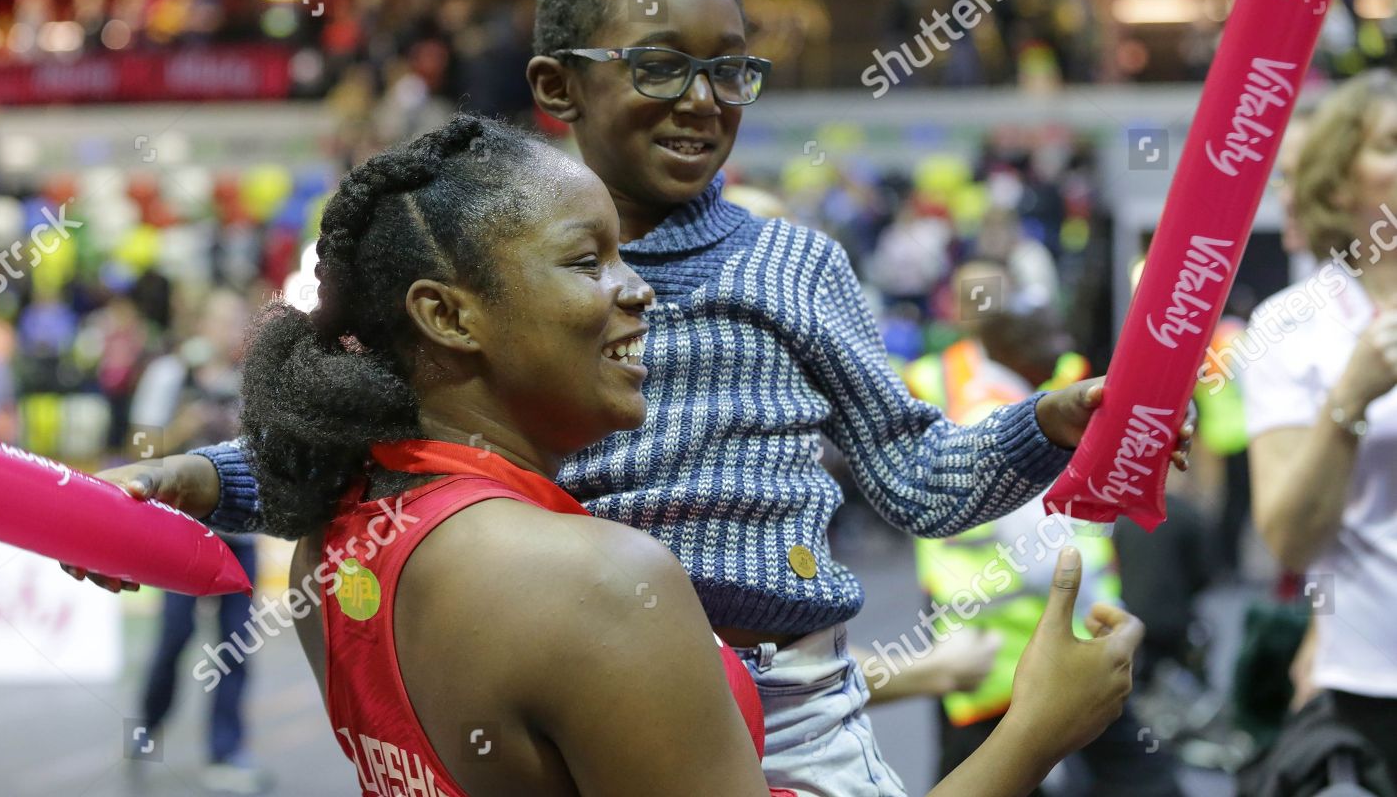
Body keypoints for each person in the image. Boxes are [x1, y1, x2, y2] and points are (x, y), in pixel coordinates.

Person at [80, 0, 1190, 795]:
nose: (704, 99)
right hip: (583, 693)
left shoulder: (794, 269)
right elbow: (379, 446)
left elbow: (916, 477)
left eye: (733, 69)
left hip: (798, 714)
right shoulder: (486, 277)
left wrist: (1046, 423)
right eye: (660, 66)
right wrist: (201, 480)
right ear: (558, 85)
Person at [252, 113, 1145, 795]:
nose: (638, 289)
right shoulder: (601, 583)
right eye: (586, 262)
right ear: (447, 314)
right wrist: (1035, 731)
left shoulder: (329, 556)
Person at [903, 264, 1184, 797]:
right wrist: (1097, 616)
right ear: (1009, 346)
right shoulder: (997, 414)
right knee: (1136, 776)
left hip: (994, 652)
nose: (1065, 344)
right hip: (1021, 653)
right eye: (1048, 334)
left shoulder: (1020, 394)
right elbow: (1042, 556)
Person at [1244, 69, 1397, 779]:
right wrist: (1351, 400)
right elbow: (1292, 541)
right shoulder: (1290, 326)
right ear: (1339, 185)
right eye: (1392, 143)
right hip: (1372, 685)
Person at [124, 289, 270, 795]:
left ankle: (226, 752)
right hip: (180, 536)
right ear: (199, 323)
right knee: (173, 638)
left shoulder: (252, 381)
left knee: (234, 649)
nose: (229, 330)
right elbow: (139, 450)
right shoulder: (169, 376)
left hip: (241, 534)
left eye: (237, 321)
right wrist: (184, 425)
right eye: (220, 320)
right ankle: (148, 722)